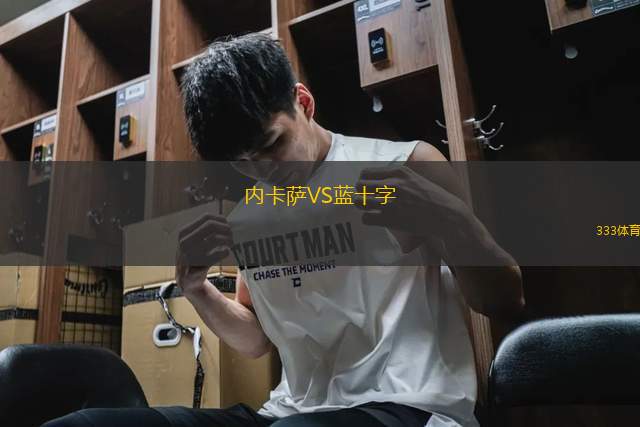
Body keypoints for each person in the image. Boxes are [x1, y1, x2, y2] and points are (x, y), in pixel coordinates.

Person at [43, 33, 524, 427]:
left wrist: (451, 219)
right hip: (291, 412)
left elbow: (504, 299)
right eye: (242, 162)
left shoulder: (406, 166)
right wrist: (196, 288)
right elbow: (257, 340)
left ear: (304, 103)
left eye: (272, 145)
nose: (263, 172)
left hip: (410, 406)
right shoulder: (250, 217)